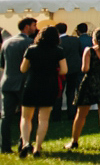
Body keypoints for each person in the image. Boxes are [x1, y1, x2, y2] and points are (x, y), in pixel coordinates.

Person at [66, 27, 100, 149]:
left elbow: (85, 69)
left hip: (90, 82)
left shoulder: (89, 51)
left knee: (81, 114)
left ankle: (74, 141)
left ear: (96, 39)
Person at [18, 24, 67, 157]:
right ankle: (37, 148)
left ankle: (26, 142)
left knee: (26, 117)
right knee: (43, 119)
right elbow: (64, 70)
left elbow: (23, 68)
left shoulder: (31, 49)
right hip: (49, 85)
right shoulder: (58, 51)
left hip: (32, 84)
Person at [1, 17, 37, 153]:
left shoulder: (6, 42)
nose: (35, 28)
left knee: (6, 117)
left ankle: (4, 147)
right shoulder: (29, 43)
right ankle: (24, 143)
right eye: (34, 25)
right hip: (24, 82)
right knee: (27, 116)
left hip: (7, 82)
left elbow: (2, 65)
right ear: (27, 27)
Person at [53, 22, 84, 122]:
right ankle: (72, 113)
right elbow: (80, 52)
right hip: (74, 69)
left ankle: (57, 115)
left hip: (61, 70)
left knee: (59, 92)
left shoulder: (57, 42)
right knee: (71, 92)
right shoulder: (75, 39)